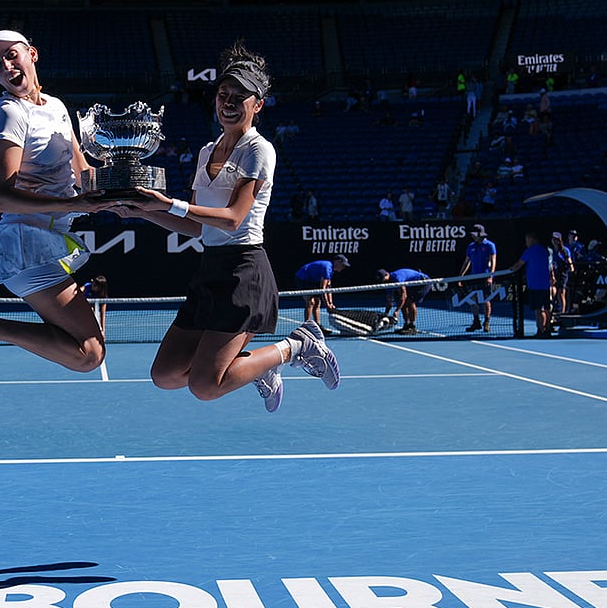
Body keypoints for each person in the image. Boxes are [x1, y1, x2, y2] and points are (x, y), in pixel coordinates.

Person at [100, 40, 340, 414]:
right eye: (223, 94)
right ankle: (255, 367)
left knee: (205, 386)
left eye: (240, 97)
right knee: (165, 374)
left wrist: (166, 202)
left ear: (257, 105)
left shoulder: (259, 149)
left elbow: (232, 218)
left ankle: (297, 346)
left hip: (244, 273)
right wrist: (141, 212)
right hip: (209, 271)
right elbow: (196, 227)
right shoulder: (206, 152)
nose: (228, 103)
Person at [0, 30, 113, 376]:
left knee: (88, 352)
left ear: (32, 54)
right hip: (25, 246)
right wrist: (74, 205)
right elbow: (0, 197)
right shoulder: (9, 113)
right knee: (89, 354)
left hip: (49, 241)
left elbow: (83, 173)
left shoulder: (56, 106)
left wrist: (122, 184)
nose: (6, 66)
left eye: (12, 56)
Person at [507, 232, 555, 337]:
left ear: (532, 240)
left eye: (527, 240)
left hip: (536, 286)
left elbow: (519, 265)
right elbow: (550, 266)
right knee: (546, 308)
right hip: (545, 285)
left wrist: (510, 270)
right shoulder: (545, 251)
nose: (526, 243)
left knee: (539, 309)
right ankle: (547, 329)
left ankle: (541, 330)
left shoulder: (529, 251)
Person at [294, 255, 350, 333]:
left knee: (317, 302)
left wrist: (331, 303)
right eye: (343, 265)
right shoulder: (327, 268)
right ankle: (306, 327)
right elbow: (323, 289)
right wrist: (327, 305)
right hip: (302, 278)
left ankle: (317, 326)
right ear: (337, 262)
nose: (343, 267)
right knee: (311, 302)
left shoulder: (330, 269)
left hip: (311, 280)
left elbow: (328, 288)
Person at [456, 224, 496, 332]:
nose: (473, 236)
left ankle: (486, 322)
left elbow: (493, 261)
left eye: (475, 235)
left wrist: (490, 276)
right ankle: (476, 321)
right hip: (474, 277)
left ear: (481, 235)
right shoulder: (471, 246)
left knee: (485, 300)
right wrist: (460, 277)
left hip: (485, 277)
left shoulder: (490, 246)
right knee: (472, 299)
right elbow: (467, 262)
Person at [379, 267, 431, 335]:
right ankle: (407, 324)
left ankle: (412, 326)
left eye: (383, 278)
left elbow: (404, 296)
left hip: (423, 282)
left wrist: (397, 310)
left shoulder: (397, 278)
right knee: (402, 302)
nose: (383, 281)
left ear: (386, 274)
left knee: (410, 301)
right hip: (412, 285)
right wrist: (386, 313)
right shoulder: (388, 283)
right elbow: (389, 299)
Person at [550, 231, 574, 316]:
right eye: (553, 239)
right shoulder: (552, 251)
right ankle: (556, 308)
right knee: (554, 291)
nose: (554, 241)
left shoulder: (564, 250)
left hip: (563, 274)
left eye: (555, 239)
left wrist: (571, 269)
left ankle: (562, 311)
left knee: (561, 292)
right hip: (555, 273)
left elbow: (569, 261)